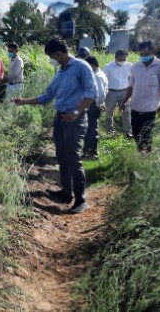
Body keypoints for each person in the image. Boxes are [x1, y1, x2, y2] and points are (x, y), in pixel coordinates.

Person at [13, 37, 97, 214]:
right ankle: (66, 192)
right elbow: (47, 95)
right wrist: (24, 101)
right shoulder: (60, 72)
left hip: (75, 119)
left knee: (73, 158)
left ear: (58, 53)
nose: (52, 59)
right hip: (60, 119)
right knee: (62, 156)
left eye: (51, 55)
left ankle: (80, 199)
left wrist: (75, 113)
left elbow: (92, 93)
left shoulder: (82, 67)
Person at [120, 41, 160, 153]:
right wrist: (124, 102)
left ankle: (145, 157)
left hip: (150, 108)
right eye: (141, 54)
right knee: (136, 134)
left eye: (146, 54)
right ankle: (140, 154)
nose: (143, 56)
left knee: (146, 136)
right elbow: (131, 86)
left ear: (153, 52)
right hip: (135, 106)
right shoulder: (136, 67)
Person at [103, 49, 133, 137]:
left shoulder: (130, 66)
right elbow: (104, 81)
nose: (123, 61)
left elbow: (132, 79)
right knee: (109, 112)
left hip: (124, 92)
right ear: (116, 58)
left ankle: (127, 131)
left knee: (126, 112)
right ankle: (109, 130)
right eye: (121, 59)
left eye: (125, 59)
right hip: (111, 92)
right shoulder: (108, 67)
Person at [83, 56, 108, 160]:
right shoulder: (100, 74)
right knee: (91, 128)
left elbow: (101, 93)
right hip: (94, 104)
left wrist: (98, 104)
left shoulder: (96, 76)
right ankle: (89, 152)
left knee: (90, 129)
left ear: (92, 66)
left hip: (93, 104)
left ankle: (91, 153)